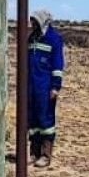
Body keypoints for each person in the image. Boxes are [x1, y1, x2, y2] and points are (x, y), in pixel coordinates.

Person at [28, 9, 65, 168]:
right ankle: (33, 153)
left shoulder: (54, 39)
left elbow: (58, 64)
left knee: (46, 119)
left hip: (46, 86)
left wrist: (55, 86)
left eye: (35, 21)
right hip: (31, 86)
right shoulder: (32, 38)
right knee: (33, 119)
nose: (33, 24)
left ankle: (45, 154)